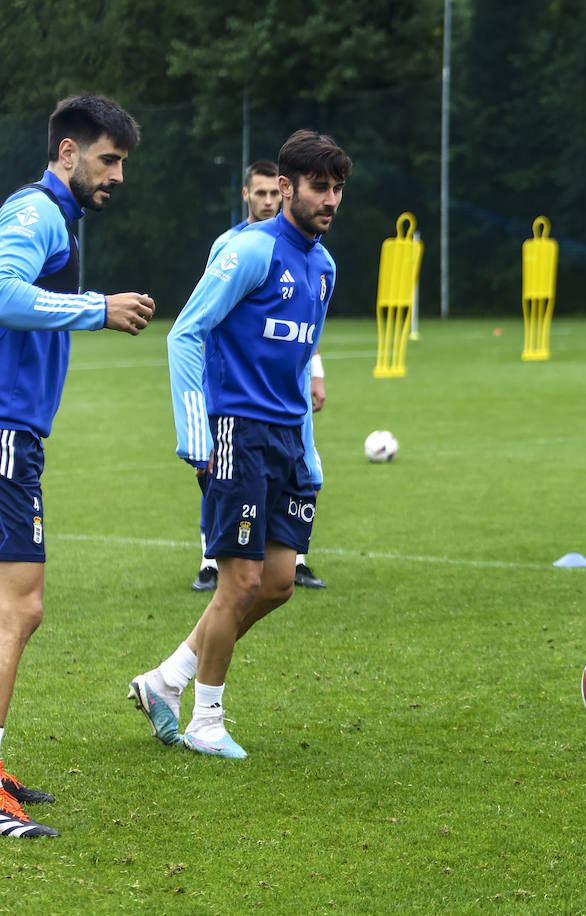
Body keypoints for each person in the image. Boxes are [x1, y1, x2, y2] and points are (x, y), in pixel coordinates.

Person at [128, 129, 350, 758]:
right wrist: (195, 432)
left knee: (278, 582)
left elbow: (300, 363)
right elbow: (186, 334)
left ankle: (165, 681)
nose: (331, 199)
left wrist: (308, 451)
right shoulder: (250, 251)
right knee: (240, 583)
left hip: (287, 439)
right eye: (319, 187)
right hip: (236, 432)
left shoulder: (325, 267)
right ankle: (205, 719)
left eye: (338, 189)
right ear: (286, 188)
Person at [0, 95, 152, 836]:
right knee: (19, 608)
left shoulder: (52, 218)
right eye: (108, 159)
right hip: (4, 430)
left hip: (14, 430)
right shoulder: (37, 215)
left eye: (122, 162)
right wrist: (96, 307)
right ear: (67, 152)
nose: (117, 175)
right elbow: (0, 292)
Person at [192, 161, 327, 592]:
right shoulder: (234, 246)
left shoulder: (315, 257)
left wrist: (316, 374)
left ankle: (295, 560)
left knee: (304, 481)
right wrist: (201, 418)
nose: (269, 201)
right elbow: (207, 323)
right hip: (237, 404)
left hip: (285, 405)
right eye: (261, 193)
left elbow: (300, 328)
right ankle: (209, 561)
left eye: (274, 193)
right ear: (246, 195)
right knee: (224, 487)